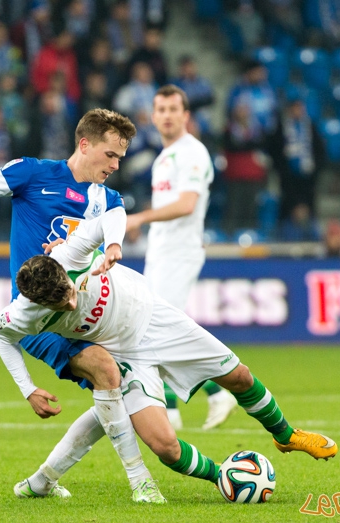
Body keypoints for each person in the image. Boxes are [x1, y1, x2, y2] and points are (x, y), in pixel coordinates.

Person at [0, 108, 165, 503]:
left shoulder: (108, 200)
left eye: (120, 158)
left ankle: (41, 481)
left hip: (88, 312)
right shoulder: (32, 173)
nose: (115, 165)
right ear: (84, 144)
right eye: (110, 155)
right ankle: (141, 481)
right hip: (42, 318)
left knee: (114, 389)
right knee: (107, 372)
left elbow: (109, 240)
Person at [0, 209, 338, 500]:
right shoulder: (23, 313)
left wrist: (113, 244)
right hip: (125, 354)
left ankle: (286, 436)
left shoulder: (70, 253)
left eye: (69, 291)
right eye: (61, 304)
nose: (71, 302)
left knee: (239, 376)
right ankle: (223, 477)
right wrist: (27, 388)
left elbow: (113, 215)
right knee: (164, 446)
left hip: (156, 317)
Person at [125, 85, 237, 431]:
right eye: (161, 109)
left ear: (186, 115)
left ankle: (214, 394)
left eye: (174, 109)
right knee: (156, 329)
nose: (167, 116)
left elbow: (187, 204)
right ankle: (176, 407)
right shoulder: (164, 157)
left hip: (180, 251)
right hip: (161, 250)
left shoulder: (192, 152)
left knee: (157, 331)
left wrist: (140, 218)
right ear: (152, 116)